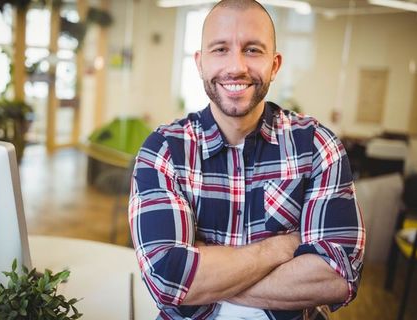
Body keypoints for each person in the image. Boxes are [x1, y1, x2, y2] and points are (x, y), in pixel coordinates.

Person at [129, 0, 365, 319]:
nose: (237, 66)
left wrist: (205, 274)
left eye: (253, 50)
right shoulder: (164, 149)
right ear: (200, 63)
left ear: (275, 64)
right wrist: (280, 249)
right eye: (220, 49)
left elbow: (338, 275)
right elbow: (167, 279)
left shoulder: (317, 145)